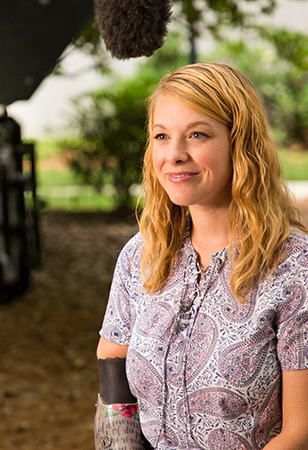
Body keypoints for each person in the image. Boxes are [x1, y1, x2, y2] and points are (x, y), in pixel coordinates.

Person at [94, 62, 308, 450]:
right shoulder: (141, 254)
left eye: (197, 134)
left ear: (239, 142)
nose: (174, 154)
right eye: (162, 136)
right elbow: (112, 363)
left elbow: (300, 433)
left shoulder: (295, 267)